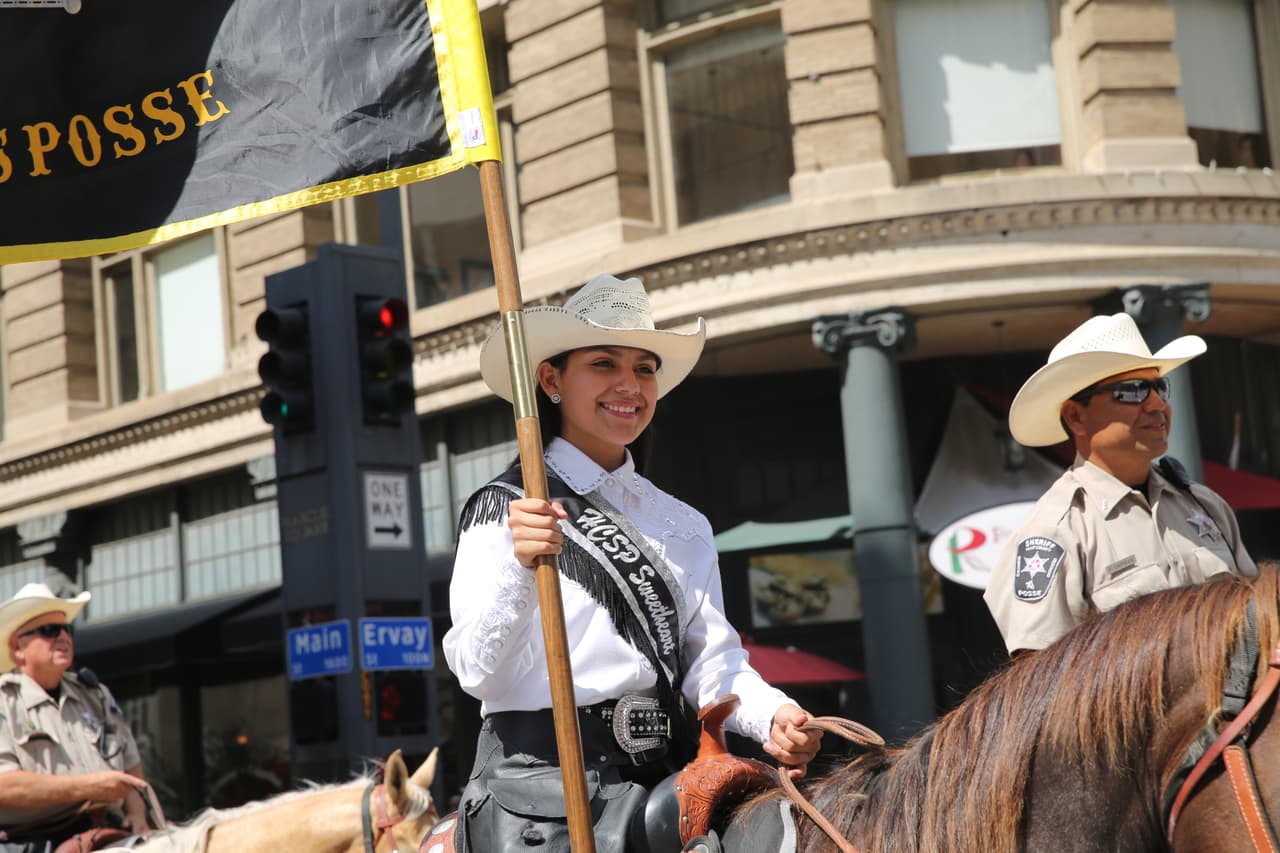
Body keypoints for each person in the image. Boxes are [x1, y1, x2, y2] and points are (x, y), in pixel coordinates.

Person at [444, 274, 822, 852]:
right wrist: (521, 566)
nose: (629, 385)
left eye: (644, 368)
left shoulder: (684, 523)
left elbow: (710, 665)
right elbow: (475, 671)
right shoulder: (506, 506)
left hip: (664, 776)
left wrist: (773, 716)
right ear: (550, 378)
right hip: (542, 790)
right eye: (603, 364)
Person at [984, 312, 1257, 654]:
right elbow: (1041, 680)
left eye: (1159, 387)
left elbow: (1257, 620)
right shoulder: (1056, 532)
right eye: (1132, 391)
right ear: (1076, 416)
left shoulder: (1206, 506)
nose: (1157, 404)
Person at [0, 583, 154, 850]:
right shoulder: (4, 702)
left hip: (109, 831)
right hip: (31, 841)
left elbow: (130, 761)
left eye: (66, 629)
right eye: (49, 631)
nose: (63, 637)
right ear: (17, 647)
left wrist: (137, 815)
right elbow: (4, 787)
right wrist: (87, 787)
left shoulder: (96, 694)